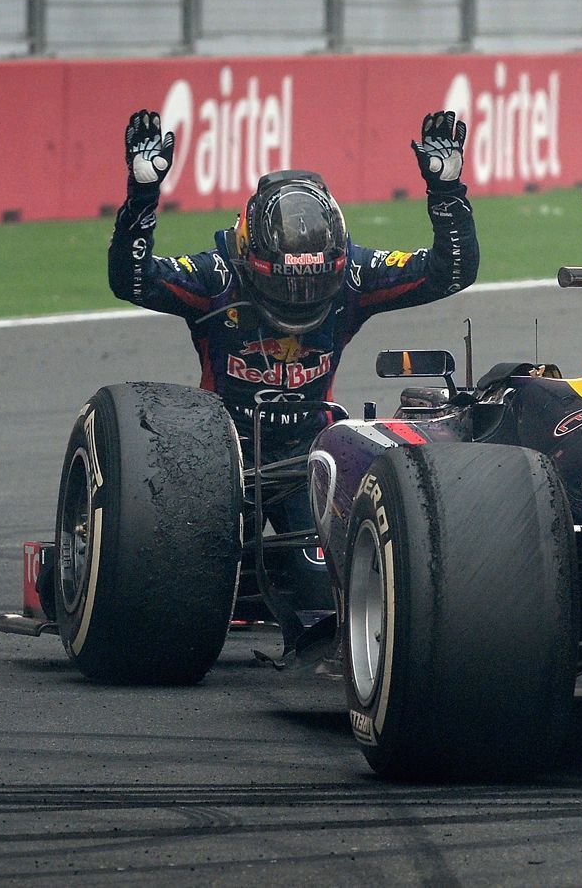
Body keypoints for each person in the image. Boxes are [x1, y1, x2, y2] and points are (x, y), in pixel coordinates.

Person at [107, 108, 478, 650]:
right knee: (177, 588)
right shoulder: (217, 276)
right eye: (286, 285)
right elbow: (132, 281)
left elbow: (451, 272)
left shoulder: (354, 273)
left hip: (310, 456)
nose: (299, 300)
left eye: (310, 287)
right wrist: (142, 196)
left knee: (325, 589)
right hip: (219, 457)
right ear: (251, 256)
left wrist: (446, 190)